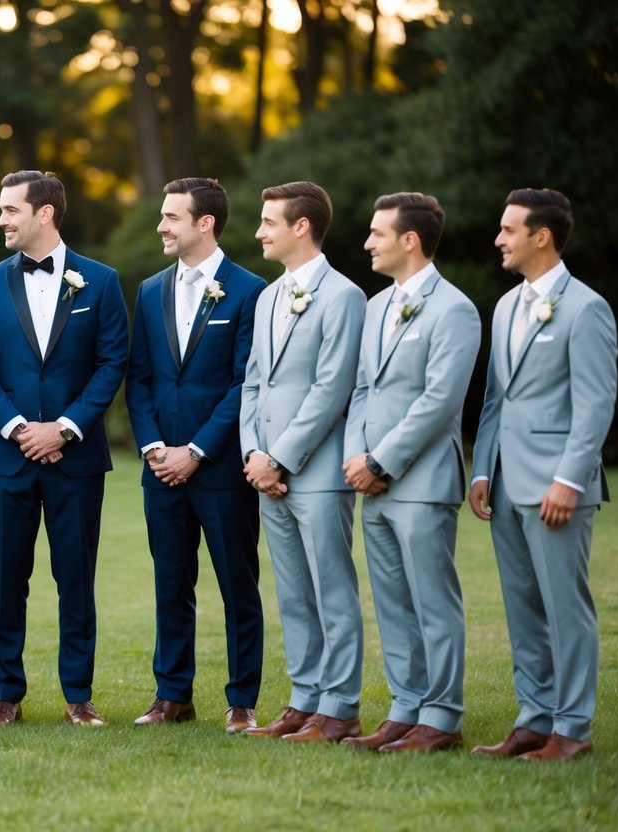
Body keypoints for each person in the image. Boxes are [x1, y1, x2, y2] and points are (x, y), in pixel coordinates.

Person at [0, 170, 128, 727]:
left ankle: (78, 697)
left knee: (76, 576)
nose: (1, 219)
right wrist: (17, 428)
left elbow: (111, 364)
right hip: (6, 459)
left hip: (76, 458)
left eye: (11, 209)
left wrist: (65, 427)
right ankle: (6, 695)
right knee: (7, 576)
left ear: (46, 213)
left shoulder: (101, 282)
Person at [469, 188, 617, 762]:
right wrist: (482, 469)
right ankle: (533, 720)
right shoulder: (507, 306)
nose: (499, 239)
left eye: (508, 230)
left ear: (542, 236)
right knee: (523, 607)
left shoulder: (586, 308)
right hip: (505, 484)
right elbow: (495, 397)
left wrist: (570, 479)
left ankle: (572, 729)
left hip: (557, 487)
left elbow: (595, 404)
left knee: (565, 607)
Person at [124, 178, 266, 732]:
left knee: (237, 585)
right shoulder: (151, 289)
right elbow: (139, 380)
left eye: (171, 217)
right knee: (170, 582)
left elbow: (244, 383)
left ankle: (241, 701)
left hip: (222, 469)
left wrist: (199, 450)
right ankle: (172, 695)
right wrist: (158, 448)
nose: (161, 225)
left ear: (205, 223)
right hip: (161, 470)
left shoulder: (250, 290)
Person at [341, 192, 480, 752]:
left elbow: (441, 400)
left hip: (420, 482)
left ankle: (441, 718)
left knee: (431, 600)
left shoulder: (455, 309)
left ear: (409, 239)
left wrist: (381, 461)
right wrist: (357, 458)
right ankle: (405, 707)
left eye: (377, 233)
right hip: (371, 483)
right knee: (392, 600)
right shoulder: (374, 307)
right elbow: (359, 391)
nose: (368, 242)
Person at [239, 181, 366, 743]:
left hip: (315, 472)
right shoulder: (268, 297)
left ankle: (340, 709)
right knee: (291, 592)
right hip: (266, 472)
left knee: (331, 590)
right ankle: (303, 700)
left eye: (269, 221)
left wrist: (281, 458)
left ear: (301, 226)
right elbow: (252, 384)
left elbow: (332, 389)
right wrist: (252, 454)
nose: (259, 231)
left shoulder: (344, 296)